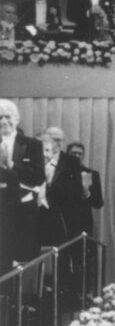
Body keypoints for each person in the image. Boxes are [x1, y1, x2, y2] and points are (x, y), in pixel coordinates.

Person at [0, 100, 44, 272]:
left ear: (16, 119)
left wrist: (11, 164)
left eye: (8, 116)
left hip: (22, 212)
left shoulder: (32, 144)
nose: (4, 121)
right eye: (0, 117)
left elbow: (39, 176)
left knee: (20, 260)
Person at [65, 141, 103, 237]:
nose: (77, 156)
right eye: (74, 153)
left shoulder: (89, 174)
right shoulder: (60, 174)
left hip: (83, 223)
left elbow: (98, 203)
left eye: (80, 154)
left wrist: (87, 194)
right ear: (67, 155)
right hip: (63, 223)